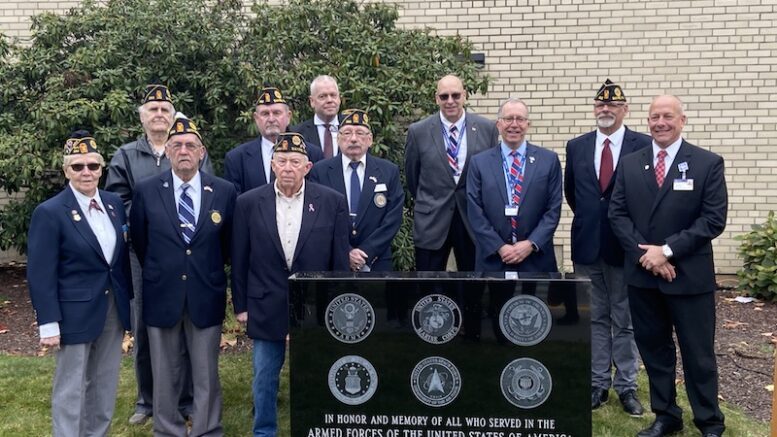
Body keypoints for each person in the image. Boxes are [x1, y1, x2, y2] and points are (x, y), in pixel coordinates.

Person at [609, 95, 727, 437]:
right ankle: (666, 415)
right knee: (655, 350)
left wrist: (668, 251)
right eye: (654, 117)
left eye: (667, 116)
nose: (660, 122)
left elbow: (713, 220)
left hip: (689, 277)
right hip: (644, 276)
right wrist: (648, 256)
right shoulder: (631, 163)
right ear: (647, 121)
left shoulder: (707, 163)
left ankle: (709, 420)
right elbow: (617, 214)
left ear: (682, 120)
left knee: (698, 354)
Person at [231, 132, 350, 436]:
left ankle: (315, 427)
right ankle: (264, 431)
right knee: (264, 376)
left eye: (295, 162)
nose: (287, 167)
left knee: (315, 373)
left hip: (313, 306)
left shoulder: (332, 202)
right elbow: (239, 258)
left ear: (307, 167)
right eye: (281, 161)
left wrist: (336, 305)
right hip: (264, 302)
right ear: (272, 165)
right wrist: (241, 306)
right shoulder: (247, 203)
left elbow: (338, 261)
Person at [105, 84, 205, 425]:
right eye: (153, 109)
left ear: (173, 115)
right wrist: (157, 222)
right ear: (142, 117)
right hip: (144, 254)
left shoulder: (187, 146)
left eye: (165, 109)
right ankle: (146, 400)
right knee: (146, 324)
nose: (159, 114)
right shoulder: (126, 155)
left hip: (186, 254)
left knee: (188, 321)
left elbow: (207, 193)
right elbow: (118, 201)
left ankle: (188, 399)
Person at [129, 117, 236, 436]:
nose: (184, 150)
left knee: (206, 371)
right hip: (162, 292)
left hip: (206, 291)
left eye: (191, 145)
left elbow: (227, 244)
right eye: (176, 145)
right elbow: (139, 239)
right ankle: (167, 428)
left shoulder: (223, 191)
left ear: (202, 152)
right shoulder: (147, 191)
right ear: (169, 151)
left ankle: (206, 428)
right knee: (164, 370)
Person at [27, 132, 132, 436]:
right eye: (78, 166)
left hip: (112, 309)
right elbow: (40, 272)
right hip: (72, 313)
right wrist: (48, 322)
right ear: (66, 170)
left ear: (102, 169)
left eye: (93, 165)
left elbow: (117, 262)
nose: (86, 172)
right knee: (70, 387)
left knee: (104, 383)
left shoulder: (113, 204)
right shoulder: (49, 212)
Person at [564, 79, 650, 415]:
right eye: (600, 105)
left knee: (625, 319)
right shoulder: (577, 145)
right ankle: (597, 382)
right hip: (587, 245)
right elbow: (575, 194)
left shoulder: (640, 145)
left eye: (613, 105)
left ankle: (626, 386)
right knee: (595, 318)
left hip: (625, 247)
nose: (605, 109)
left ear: (624, 109)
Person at [466, 98, 562, 342]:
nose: (514, 124)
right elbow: (474, 210)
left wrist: (529, 244)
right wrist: (500, 246)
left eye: (520, 119)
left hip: (535, 258)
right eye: (508, 119)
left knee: (535, 324)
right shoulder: (479, 162)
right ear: (498, 124)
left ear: (528, 124)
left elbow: (553, 210)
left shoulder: (548, 160)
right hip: (494, 259)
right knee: (497, 319)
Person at [309, 109, 405, 324]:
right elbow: (319, 219)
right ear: (338, 138)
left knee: (377, 320)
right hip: (335, 260)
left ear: (370, 140)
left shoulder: (388, 171)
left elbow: (393, 217)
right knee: (338, 319)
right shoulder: (320, 171)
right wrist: (346, 252)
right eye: (347, 133)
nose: (353, 138)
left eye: (360, 133)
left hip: (377, 260)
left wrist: (366, 252)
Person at [404, 74, 498, 273]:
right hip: (432, 220)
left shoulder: (486, 129)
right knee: (428, 287)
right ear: (436, 98)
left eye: (455, 95)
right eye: (444, 96)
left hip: (472, 220)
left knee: (473, 287)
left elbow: (491, 176)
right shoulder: (418, 131)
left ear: (464, 95)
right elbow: (413, 178)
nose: (450, 101)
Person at [224, 86, 324, 194]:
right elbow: (235, 204)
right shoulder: (237, 158)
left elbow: (318, 196)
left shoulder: (312, 153)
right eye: (265, 114)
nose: (271, 119)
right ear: (256, 119)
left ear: (288, 116)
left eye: (276, 113)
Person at [291, 75, 343, 158]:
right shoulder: (298, 133)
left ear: (339, 99)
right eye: (323, 96)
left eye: (333, 95)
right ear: (312, 101)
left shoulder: (352, 130)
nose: (329, 100)